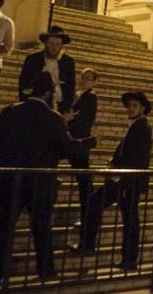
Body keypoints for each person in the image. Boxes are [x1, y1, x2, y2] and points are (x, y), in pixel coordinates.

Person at [0, 72, 97, 283]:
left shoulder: (10, 112)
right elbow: (67, 147)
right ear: (48, 94)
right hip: (40, 182)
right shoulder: (52, 117)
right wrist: (87, 143)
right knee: (42, 227)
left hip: (11, 179)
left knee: (4, 226)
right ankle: (46, 272)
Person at [72, 91, 153, 272]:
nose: (130, 109)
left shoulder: (142, 126)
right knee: (128, 218)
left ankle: (93, 245)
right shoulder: (137, 125)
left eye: (134, 106)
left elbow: (137, 157)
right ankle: (127, 258)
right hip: (124, 180)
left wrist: (120, 173)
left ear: (142, 108)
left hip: (125, 182)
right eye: (129, 106)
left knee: (99, 204)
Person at [65, 68, 99, 221]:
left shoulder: (91, 96)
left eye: (88, 78)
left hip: (80, 140)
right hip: (71, 138)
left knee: (84, 179)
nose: (84, 80)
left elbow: (85, 118)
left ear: (94, 82)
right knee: (83, 177)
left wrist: (70, 118)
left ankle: (88, 212)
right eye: (83, 77)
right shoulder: (77, 94)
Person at [19, 26, 76, 114]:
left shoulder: (68, 62)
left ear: (61, 46)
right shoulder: (33, 59)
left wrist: (67, 109)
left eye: (58, 44)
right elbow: (23, 83)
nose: (54, 47)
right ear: (46, 43)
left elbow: (70, 88)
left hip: (59, 106)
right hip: (35, 105)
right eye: (51, 43)